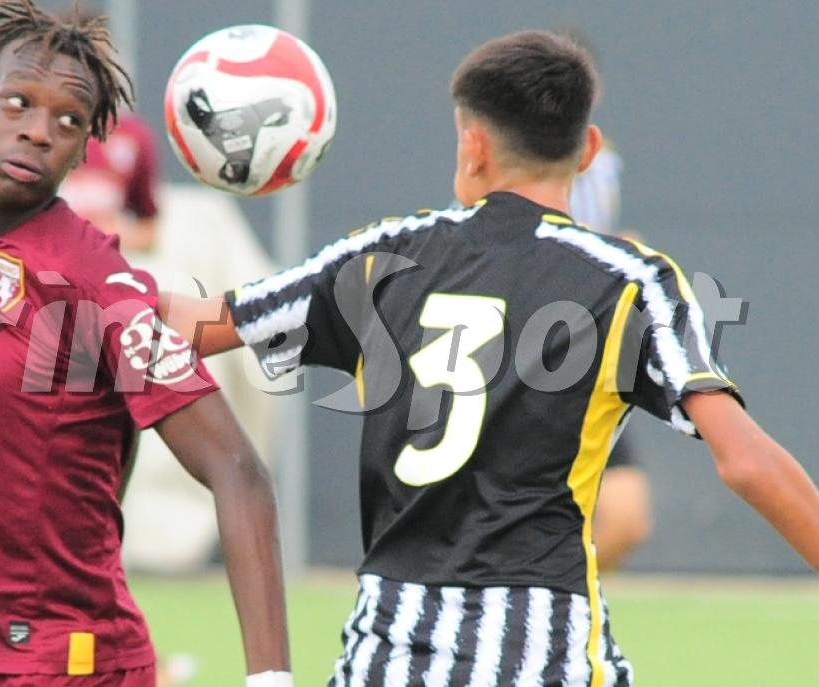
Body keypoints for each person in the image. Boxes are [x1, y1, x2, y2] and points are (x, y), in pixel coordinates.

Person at [161, 30, 819, 685]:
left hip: (387, 656)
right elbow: (745, 461)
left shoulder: (380, 257)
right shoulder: (631, 281)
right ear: (587, 150)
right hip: (544, 654)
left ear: (472, 145)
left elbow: (192, 324)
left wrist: (81, 257)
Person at [0, 2, 289, 685]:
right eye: (19, 103)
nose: (40, 131)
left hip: (60, 660)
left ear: (85, 144)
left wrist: (270, 678)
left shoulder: (89, 278)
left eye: (69, 121)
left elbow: (239, 469)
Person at [569, 144, 654, 571]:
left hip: (584, 359)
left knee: (626, 518)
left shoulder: (601, 165)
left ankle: (556, 600)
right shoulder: (491, 150)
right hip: (520, 362)